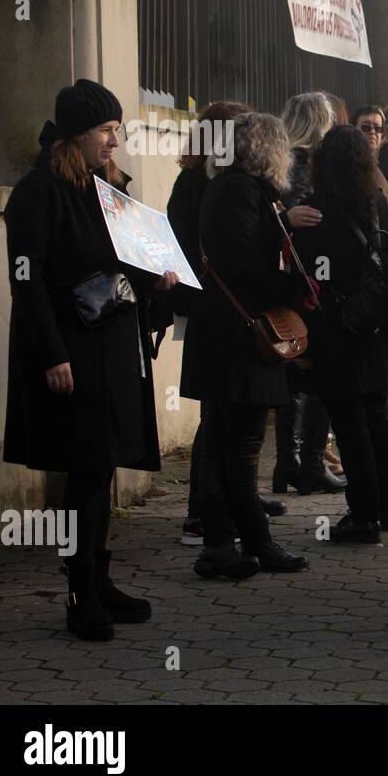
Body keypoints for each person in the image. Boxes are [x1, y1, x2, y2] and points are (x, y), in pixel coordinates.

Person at [4, 79, 180, 639]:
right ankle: (79, 592)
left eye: (118, 129)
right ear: (76, 134)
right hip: (71, 352)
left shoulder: (104, 187)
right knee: (83, 471)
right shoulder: (39, 192)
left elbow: (121, 262)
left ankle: (99, 579)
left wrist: (158, 279)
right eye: (107, 130)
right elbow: (26, 282)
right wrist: (53, 355)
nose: (116, 140)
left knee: (102, 465)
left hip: (110, 347)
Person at [183, 112, 314, 580]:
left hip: (226, 333)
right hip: (237, 336)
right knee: (239, 445)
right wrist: (294, 289)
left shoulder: (233, 188)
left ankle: (222, 545)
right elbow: (245, 266)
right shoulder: (240, 190)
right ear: (266, 149)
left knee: (224, 442)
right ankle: (251, 543)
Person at [166, 101, 286, 546]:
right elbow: (239, 258)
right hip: (222, 312)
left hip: (217, 310)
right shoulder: (218, 187)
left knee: (224, 426)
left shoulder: (226, 185)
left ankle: (232, 512)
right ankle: (212, 517)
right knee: (226, 428)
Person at [293, 126, 388, 542]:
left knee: (349, 420)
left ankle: (363, 514)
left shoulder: (315, 211)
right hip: (375, 327)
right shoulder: (377, 203)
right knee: (377, 416)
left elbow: (308, 278)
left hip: (336, 330)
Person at [274, 93, 345, 496]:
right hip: (309, 284)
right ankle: (311, 462)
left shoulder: (280, 160)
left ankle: (288, 459)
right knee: (317, 375)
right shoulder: (310, 166)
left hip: (287, 282)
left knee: (290, 375)